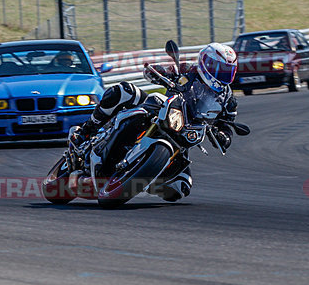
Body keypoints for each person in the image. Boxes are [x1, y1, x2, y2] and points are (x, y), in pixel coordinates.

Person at [68, 42, 239, 200]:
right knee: (124, 91)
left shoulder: (228, 99)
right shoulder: (188, 70)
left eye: (227, 70)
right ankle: (86, 131)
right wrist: (158, 73)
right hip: (161, 111)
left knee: (180, 188)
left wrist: (223, 136)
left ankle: (140, 178)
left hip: (183, 134)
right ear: (206, 63)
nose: (223, 74)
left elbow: (227, 124)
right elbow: (156, 71)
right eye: (220, 69)